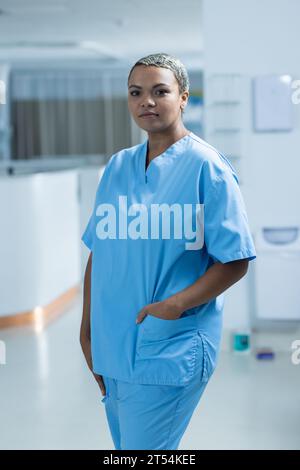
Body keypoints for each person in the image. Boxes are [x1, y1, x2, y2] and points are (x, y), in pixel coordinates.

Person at [80, 52, 256, 450]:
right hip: (112, 343)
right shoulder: (117, 167)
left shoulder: (207, 168)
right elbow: (99, 250)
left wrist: (175, 305)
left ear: (183, 98)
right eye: (136, 92)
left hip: (169, 343)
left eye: (160, 91)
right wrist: (88, 328)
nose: (147, 101)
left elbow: (236, 259)